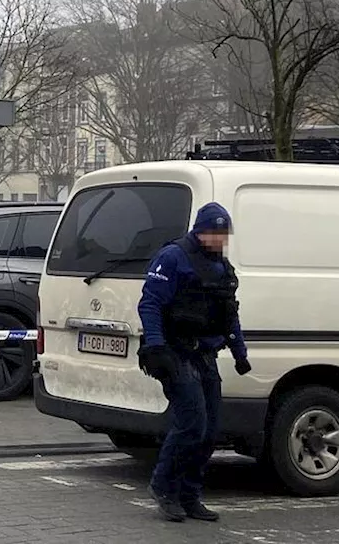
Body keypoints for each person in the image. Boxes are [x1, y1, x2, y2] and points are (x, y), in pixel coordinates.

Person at [137, 202, 250, 523]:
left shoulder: (222, 269)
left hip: (204, 354)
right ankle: (163, 487)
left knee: (210, 429)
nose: (219, 239)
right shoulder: (174, 257)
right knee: (192, 423)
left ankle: (190, 494)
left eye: (223, 233)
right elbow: (151, 304)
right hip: (175, 352)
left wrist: (240, 354)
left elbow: (230, 316)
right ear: (201, 231)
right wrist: (157, 347)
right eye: (214, 232)